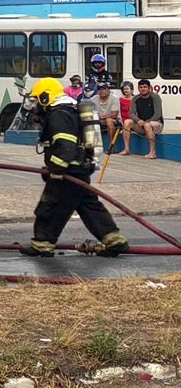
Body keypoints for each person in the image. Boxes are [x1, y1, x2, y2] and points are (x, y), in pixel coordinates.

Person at [20, 77, 127, 258]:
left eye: (37, 100)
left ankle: (42, 244)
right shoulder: (70, 109)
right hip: (80, 168)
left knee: (51, 206)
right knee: (88, 206)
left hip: (68, 170)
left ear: (46, 98)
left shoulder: (59, 114)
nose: (35, 105)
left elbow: (66, 145)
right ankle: (114, 240)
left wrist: (55, 170)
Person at [125, 78, 165, 159]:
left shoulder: (155, 97)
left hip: (156, 124)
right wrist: (138, 120)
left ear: (149, 88)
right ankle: (127, 149)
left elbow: (158, 114)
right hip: (141, 124)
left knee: (147, 125)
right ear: (138, 88)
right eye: (141, 87)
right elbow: (131, 113)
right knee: (127, 122)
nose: (143, 89)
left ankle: (152, 152)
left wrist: (146, 122)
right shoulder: (135, 98)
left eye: (145, 87)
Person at [92, 82, 122, 150]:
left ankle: (111, 146)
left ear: (108, 90)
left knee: (109, 120)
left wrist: (102, 117)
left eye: (104, 89)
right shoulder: (93, 99)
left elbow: (114, 114)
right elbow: (92, 112)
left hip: (115, 121)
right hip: (99, 120)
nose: (101, 91)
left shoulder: (114, 98)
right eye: (99, 89)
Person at [112, 81, 136, 154]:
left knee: (127, 124)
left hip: (132, 121)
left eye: (127, 89)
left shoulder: (135, 99)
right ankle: (126, 149)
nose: (126, 90)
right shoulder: (120, 99)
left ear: (132, 90)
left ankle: (127, 149)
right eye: (124, 89)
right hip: (123, 121)